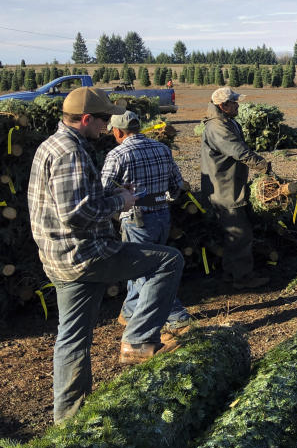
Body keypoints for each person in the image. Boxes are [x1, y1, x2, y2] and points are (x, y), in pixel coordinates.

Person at [27, 88, 184, 422]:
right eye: (102, 120)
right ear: (86, 119)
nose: (106, 127)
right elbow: (75, 213)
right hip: (86, 255)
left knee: (72, 337)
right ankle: (139, 341)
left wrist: (111, 191)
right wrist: (121, 203)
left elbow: (67, 198)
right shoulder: (71, 152)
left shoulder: (49, 147)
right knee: (169, 260)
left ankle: (69, 422)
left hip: (59, 257)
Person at [101, 109, 192, 332]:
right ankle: (130, 310)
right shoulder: (162, 148)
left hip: (137, 219)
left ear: (118, 131)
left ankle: (176, 316)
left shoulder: (118, 154)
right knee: (147, 263)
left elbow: (102, 190)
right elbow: (176, 184)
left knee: (149, 270)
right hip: (162, 215)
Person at [200, 87, 270, 289]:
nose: (238, 105)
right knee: (240, 232)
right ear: (223, 106)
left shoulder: (227, 122)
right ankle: (242, 278)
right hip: (224, 188)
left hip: (231, 184)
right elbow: (239, 151)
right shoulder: (218, 127)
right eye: (234, 102)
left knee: (234, 232)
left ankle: (231, 274)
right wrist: (263, 166)